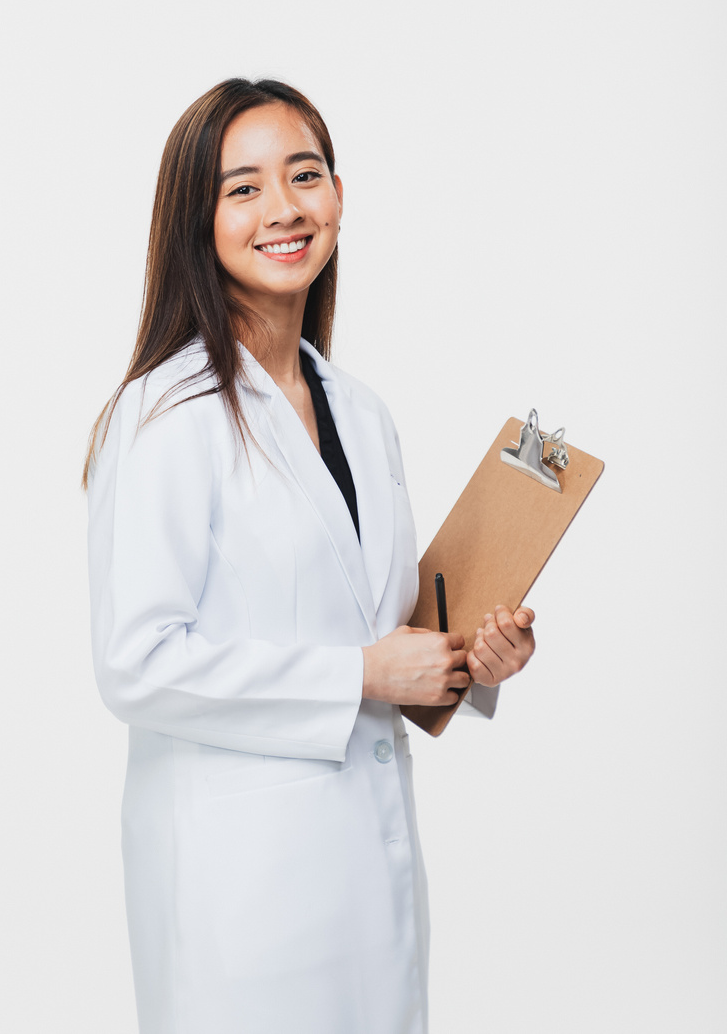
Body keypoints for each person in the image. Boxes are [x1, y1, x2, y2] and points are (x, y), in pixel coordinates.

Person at [82, 78, 535, 1034]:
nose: (284, 209)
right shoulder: (168, 414)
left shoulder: (362, 414)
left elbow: (386, 637)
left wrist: (469, 661)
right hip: (239, 890)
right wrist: (361, 673)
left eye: (305, 175)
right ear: (195, 220)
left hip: (370, 871)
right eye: (242, 189)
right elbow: (136, 663)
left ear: (339, 195)